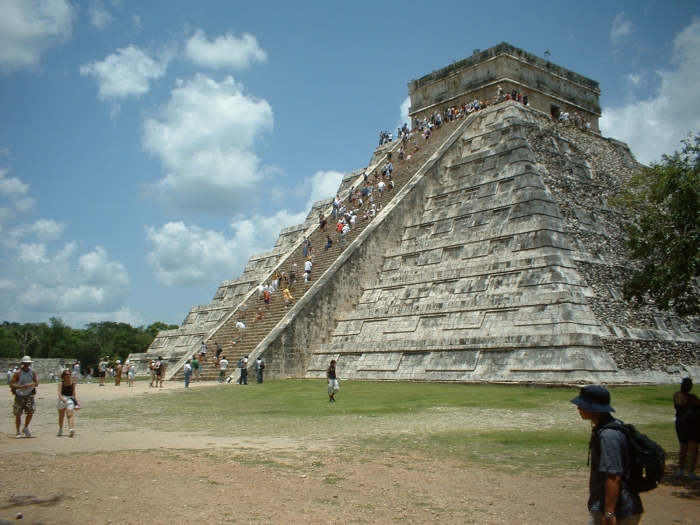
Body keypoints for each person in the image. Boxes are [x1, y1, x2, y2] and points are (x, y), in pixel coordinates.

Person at [571, 386, 643, 524]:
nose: (578, 408)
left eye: (582, 405)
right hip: (614, 505)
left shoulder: (608, 435)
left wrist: (609, 513)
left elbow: (613, 475)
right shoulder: (611, 426)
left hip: (619, 509)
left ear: (594, 408)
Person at [673, 377, 700, 480]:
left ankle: (680, 469)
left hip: (680, 423)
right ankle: (691, 472)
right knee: (694, 447)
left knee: (683, 446)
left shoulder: (676, 395)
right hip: (692, 424)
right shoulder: (692, 398)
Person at [11, 356, 39, 438]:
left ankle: (26, 427)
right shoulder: (18, 373)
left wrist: (32, 384)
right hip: (20, 394)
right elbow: (11, 384)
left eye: (28, 363)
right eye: (26, 363)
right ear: (23, 364)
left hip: (29, 393)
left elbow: (36, 382)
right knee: (18, 413)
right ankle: (18, 431)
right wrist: (21, 386)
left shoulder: (33, 372)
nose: (27, 365)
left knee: (30, 411)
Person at [56, 369, 77, 437]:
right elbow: (59, 392)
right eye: (66, 374)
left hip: (70, 399)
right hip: (62, 399)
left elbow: (74, 392)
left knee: (69, 415)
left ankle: (71, 429)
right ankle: (60, 429)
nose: (68, 376)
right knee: (61, 416)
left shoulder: (72, 383)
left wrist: (75, 401)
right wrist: (61, 398)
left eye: (69, 374)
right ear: (64, 376)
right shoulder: (61, 383)